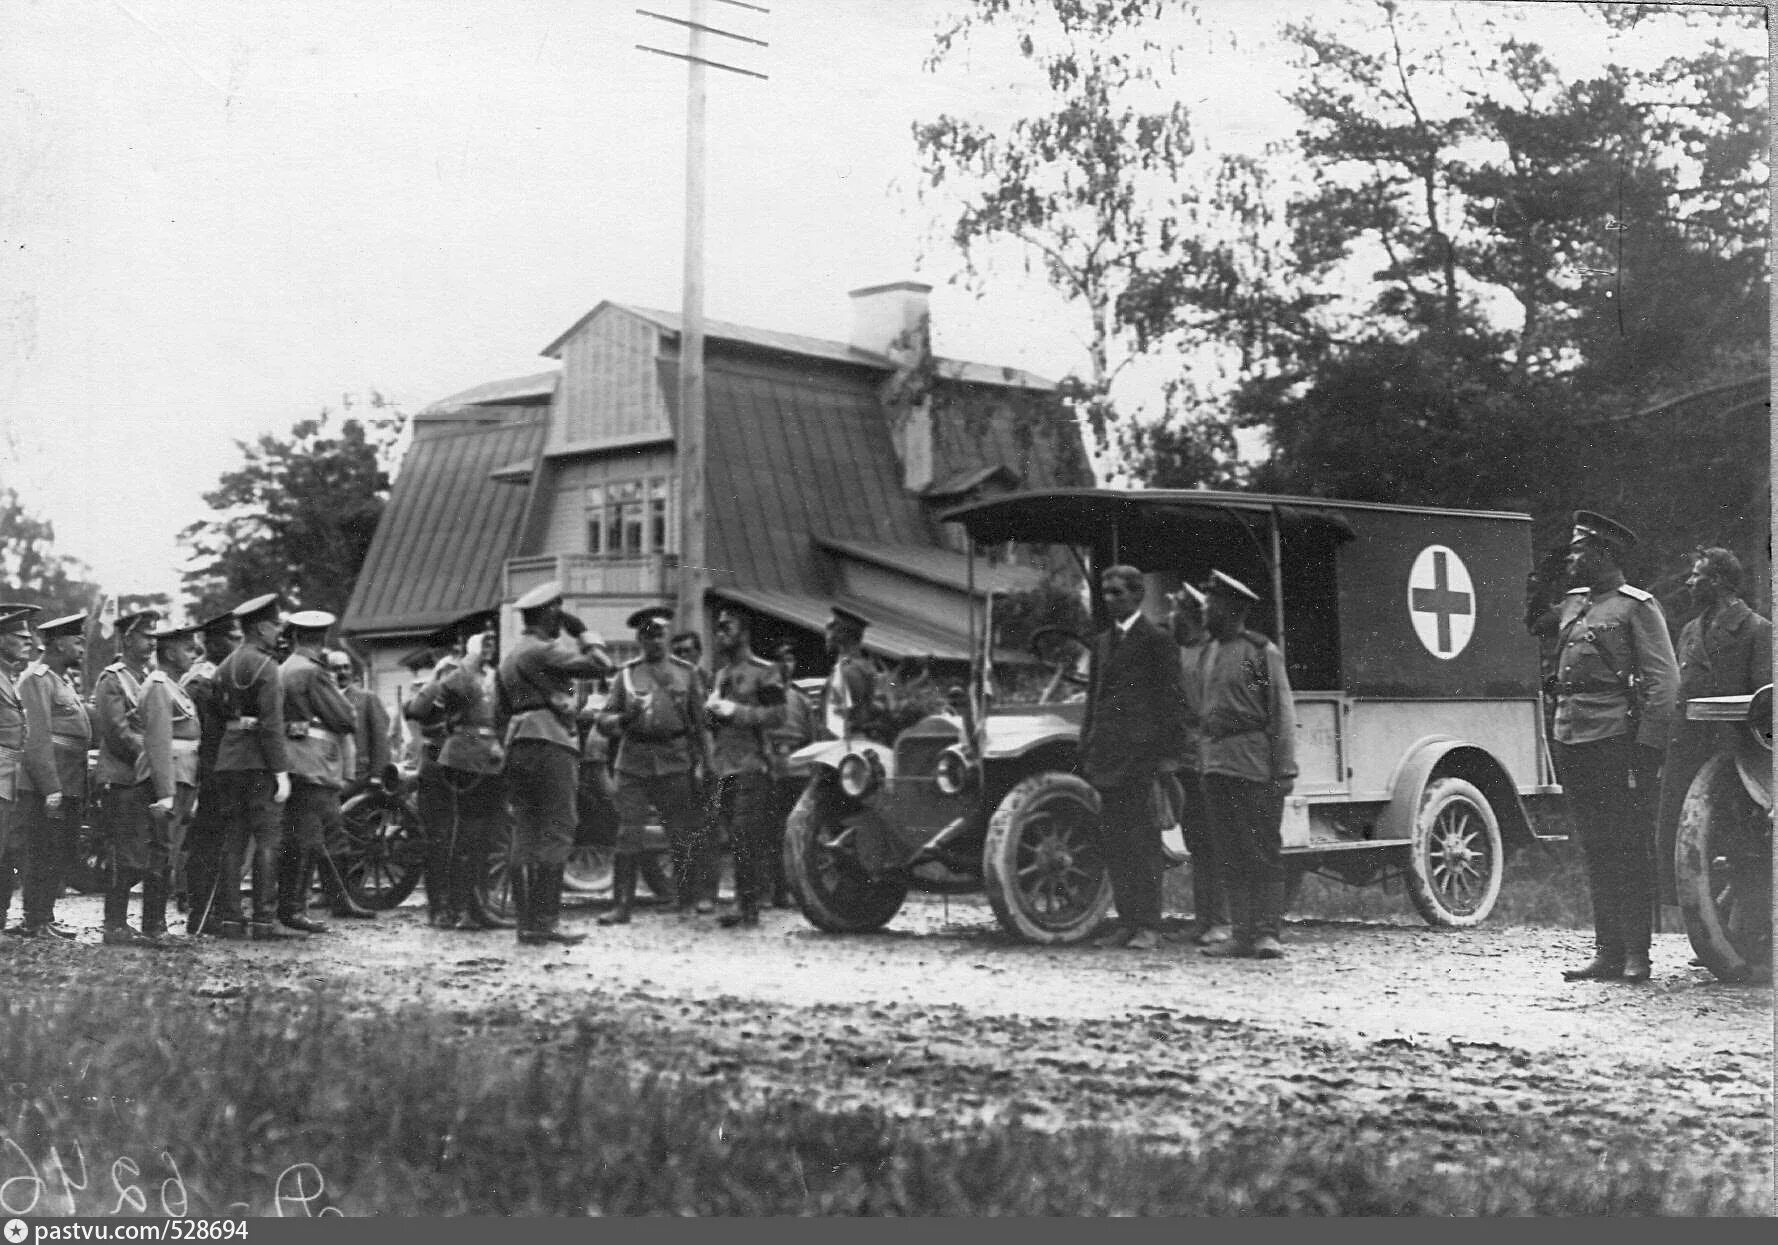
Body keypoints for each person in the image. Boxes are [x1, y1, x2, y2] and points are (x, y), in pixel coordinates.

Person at [1551, 511, 1679, 984]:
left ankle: (1637, 955)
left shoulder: (1635, 607)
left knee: (1627, 845)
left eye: (1581, 550)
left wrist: (1648, 747)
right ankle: (1606, 951)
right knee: (1595, 846)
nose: (1572, 557)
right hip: (1573, 736)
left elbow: (1664, 683)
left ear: (1604, 555)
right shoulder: (1573, 605)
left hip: (1616, 742)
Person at [1656, 546, 1771, 968]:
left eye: (1697, 576)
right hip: (1689, 745)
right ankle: (1714, 934)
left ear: (1719, 581)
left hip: (1737, 753)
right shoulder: (1689, 629)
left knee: (1745, 847)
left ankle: (1749, 941)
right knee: (1692, 848)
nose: (1689, 583)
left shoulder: (1758, 630)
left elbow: (1765, 701)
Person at [1077, 566, 1188, 952]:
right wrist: (1086, 746)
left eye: (1118, 593)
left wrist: (1167, 759)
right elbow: (1094, 700)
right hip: (1107, 759)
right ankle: (1126, 923)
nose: (1110, 600)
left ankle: (1149, 926)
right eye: (1105, 593)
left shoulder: (1157, 640)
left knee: (1143, 845)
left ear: (1138, 595)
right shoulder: (1103, 642)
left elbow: (1172, 702)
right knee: (1116, 844)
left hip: (1141, 761)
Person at [496, 581, 613, 944]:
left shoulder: (511, 656)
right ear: (550, 613)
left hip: (518, 743)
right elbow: (601, 665)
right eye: (557, 612)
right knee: (559, 826)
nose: (561, 619)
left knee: (526, 830)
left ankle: (526, 923)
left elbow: (499, 713)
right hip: (551, 742)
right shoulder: (545, 651)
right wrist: (584, 633)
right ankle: (544, 921)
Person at [1197, 570, 1298, 961]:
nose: (1206, 611)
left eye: (1212, 604)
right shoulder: (1209, 653)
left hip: (1253, 767)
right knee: (1230, 853)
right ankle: (1241, 935)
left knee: (1261, 850)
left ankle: (1267, 933)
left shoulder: (1260, 652)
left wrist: (1284, 770)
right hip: (1216, 767)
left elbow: (1282, 713)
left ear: (1232, 608)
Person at [595, 606, 710, 925]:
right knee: (627, 832)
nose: (655, 641)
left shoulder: (687, 673)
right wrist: (622, 719)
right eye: (648, 635)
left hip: (674, 758)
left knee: (680, 832)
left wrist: (705, 763)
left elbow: (701, 724)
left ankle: (686, 901)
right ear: (639, 640)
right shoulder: (626, 675)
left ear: (667, 636)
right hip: (633, 761)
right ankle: (621, 906)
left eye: (659, 634)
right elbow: (603, 720)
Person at [405, 611, 510, 931]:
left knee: (478, 837)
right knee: (441, 838)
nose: (489, 645)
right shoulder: (449, 673)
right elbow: (416, 711)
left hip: (480, 763)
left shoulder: (491, 676)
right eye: (483, 640)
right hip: (441, 763)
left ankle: (474, 906)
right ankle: (441, 909)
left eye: (493, 639)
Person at [276, 610, 372, 934]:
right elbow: (346, 718)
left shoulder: (286, 667)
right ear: (323, 638)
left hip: (293, 762)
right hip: (314, 764)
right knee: (313, 837)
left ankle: (333, 900)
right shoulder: (313, 672)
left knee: (305, 837)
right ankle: (296, 909)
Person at [110, 619, 204, 948]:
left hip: (180, 777)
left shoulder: (171, 685)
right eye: (189, 648)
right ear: (171, 652)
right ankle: (146, 926)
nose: (196, 653)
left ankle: (149, 924)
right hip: (164, 781)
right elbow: (159, 743)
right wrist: (165, 793)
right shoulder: (160, 686)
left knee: (163, 852)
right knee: (156, 852)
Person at [210, 593, 294, 940]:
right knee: (267, 839)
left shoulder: (224, 666)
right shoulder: (267, 666)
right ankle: (263, 919)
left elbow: (216, 718)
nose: (278, 631)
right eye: (275, 624)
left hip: (229, 761)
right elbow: (272, 724)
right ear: (260, 627)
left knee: (232, 840)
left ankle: (231, 919)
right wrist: (281, 771)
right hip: (260, 763)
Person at [704, 607, 787, 930]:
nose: (720, 632)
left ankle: (748, 906)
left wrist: (735, 710)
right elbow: (715, 724)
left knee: (744, 835)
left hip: (752, 764)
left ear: (744, 632)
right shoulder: (722, 675)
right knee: (735, 835)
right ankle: (744, 901)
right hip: (725, 765)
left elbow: (778, 715)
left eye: (727, 626)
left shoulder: (764, 672)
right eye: (718, 627)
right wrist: (711, 712)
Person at [10, 612, 90, 939]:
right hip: (48, 782)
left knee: (58, 849)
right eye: (77, 641)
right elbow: (36, 736)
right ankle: (34, 920)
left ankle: (45, 916)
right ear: (58, 642)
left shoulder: (60, 679)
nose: (82, 647)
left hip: (69, 778)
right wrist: (50, 786)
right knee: (41, 849)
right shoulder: (36, 678)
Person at [93, 609, 161, 945]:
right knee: (125, 855)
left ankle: (132, 924)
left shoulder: (148, 676)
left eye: (154, 637)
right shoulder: (113, 679)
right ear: (127, 638)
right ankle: (114, 925)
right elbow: (118, 732)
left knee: (145, 853)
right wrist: (154, 760)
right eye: (146, 636)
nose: (152, 643)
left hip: (144, 777)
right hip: (123, 777)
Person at [1166, 584, 1229, 946]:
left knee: (1217, 843)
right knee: (1198, 842)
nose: (1170, 618)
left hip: (1216, 759)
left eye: (1175, 612)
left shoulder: (1220, 652)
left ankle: (1220, 920)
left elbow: (1253, 692)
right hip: (1189, 760)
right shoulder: (1180, 653)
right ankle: (1204, 919)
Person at [180, 610, 241, 935]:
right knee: (207, 843)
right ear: (213, 642)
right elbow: (201, 734)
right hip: (208, 774)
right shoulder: (202, 681)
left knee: (215, 842)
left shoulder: (219, 674)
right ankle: (200, 912)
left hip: (220, 770)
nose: (239, 643)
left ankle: (209, 910)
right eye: (233, 638)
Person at [763, 641, 813, 908]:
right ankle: (776, 890)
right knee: (772, 832)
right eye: (780, 660)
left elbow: (812, 738)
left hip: (798, 770)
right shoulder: (763, 697)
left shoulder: (801, 700)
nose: (786, 665)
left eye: (790, 660)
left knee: (797, 831)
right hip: (771, 767)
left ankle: (798, 889)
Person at [0, 606, 39, 940]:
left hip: (9, 775)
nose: (29, 642)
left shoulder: (8, 677)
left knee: (7, 849)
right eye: (20, 637)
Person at [818, 607, 888, 744]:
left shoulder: (849, 671)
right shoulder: (864, 667)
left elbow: (846, 720)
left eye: (831, 627)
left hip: (841, 748)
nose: (827, 632)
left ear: (843, 634)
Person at [331, 650, 392, 801]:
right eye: (336, 668)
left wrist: (377, 775)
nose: (343, 672)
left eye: (346, 667)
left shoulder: (366, 699)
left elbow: (380, 739)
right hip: (330, 772)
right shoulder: (322, 698)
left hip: (359, 775)